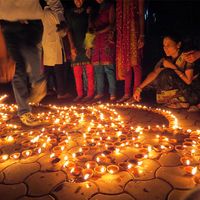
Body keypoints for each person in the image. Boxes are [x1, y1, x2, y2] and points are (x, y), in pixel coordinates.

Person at [0, 0, 66, 126]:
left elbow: (54, 1)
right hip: (8, 26)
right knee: (17, 69)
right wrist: (3, 56)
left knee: (28, 48)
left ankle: (38, 81)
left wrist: (61, 18)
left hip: (31, 23)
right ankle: (24, 111)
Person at [133, 34, 200, 110]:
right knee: (155, 80)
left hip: (193, 92)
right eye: (164, 45)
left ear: (178, 45)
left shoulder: (186, 56)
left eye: (168, 45)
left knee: (167, 73)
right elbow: (154, 73)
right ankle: (179, 101)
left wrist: (174, 68)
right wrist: (139, 89)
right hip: (182, 90)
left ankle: (186, 101)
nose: (165, 48)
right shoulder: (165, 60)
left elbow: (188, 81)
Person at [116, 0, 145, 103]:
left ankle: (135, 94)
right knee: (125, 62)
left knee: (135, 63)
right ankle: (126, 93)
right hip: (123, 32)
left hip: (134, 31)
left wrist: (141, 35)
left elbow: (141, 14)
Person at [66, 0, 94, 102]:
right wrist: (72, 46)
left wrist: (88, 46)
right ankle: (80, 94)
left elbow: (90, 28)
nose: (78, 1)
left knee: (89, 71)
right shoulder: (70, 13)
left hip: (86, 43)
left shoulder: (88, 11)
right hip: (76, 44)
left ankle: (90, 93)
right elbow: (69, 30)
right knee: (77, 72)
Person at [42, 5, 72, 100]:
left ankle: (42, 92)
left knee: (47, 70)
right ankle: (61, 93)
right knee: (59, 70)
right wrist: (66, 31)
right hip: (55, 45)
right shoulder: (55, 13)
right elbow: (62, 30)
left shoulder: (41, 13)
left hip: (46, 44)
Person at [90, 0, 116, 101]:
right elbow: (90, 27)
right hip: (96, 42)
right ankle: (100, 92)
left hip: (106, 41)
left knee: (109, 68)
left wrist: (99, 31)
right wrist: (88, 44)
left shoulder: (110, 7)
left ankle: (112, 93)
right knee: (98, 69)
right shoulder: (94, 10)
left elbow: (111, 24)